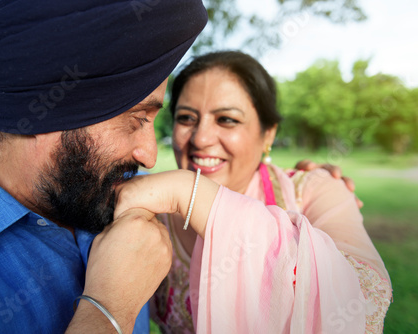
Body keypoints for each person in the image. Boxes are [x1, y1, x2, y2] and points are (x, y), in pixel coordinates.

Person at [0, 0, 208, 333]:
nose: (150, 156)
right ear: (49, 112)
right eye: (137, 119)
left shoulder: (104, 191)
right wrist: (110, 309)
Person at [116, 51, 392, 333]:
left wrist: (190, 194)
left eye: (227, 120)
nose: (201, 138)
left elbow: (366, 306)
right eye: (186, 118)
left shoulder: (309, 192)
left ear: (268, 134)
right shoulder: (150, 213)